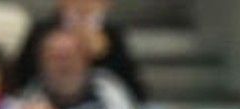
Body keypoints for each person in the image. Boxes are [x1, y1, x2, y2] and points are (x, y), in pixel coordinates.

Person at [11, 0, 148, 101]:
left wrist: (105, 56)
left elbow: (135, 92)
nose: (84, 4)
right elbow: (21, 81)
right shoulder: (41, 32)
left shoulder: (112, 35)